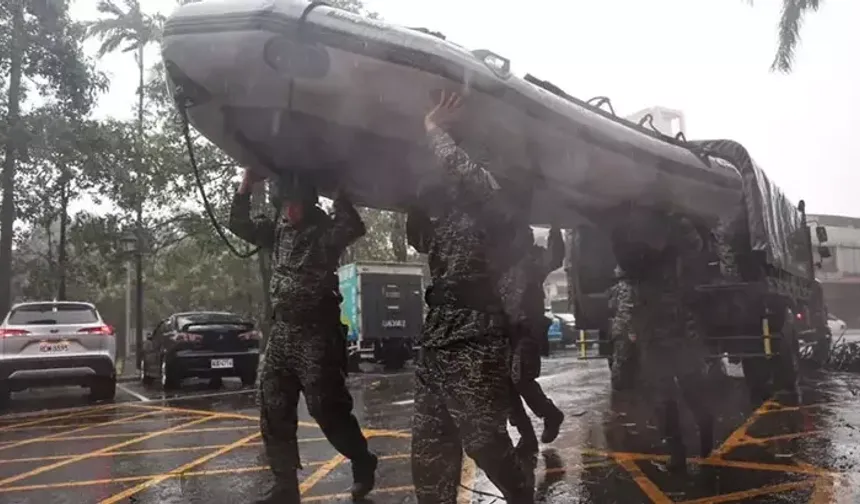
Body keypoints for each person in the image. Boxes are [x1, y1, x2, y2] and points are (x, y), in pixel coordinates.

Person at [406, 91, 534, 504]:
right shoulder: (445, 216)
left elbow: (467, 174)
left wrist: (434, 130)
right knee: (428, 451)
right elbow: (417, 235)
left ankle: (522, 496)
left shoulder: (494, 203)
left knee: (483, 441)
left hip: (476, 337)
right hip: (438, 337)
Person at [229, 171, 378, 503]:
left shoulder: (324, 231)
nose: (290, 212)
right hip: (282, 332)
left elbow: (354, 227)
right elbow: (238, 224)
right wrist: (246, 184)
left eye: (296, 205)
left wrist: (341, 196)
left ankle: (362, 460)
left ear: (309, 204)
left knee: (327, 408)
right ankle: (285, 485)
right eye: (285, 205)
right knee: (273, 406)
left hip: (316, 333)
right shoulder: (277, 231)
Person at [610, 207, 714, 473]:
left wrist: (614, 225)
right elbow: (696, 247)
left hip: (658, 336)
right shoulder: (670, 254)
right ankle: (703, 431)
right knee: (684, 387)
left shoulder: (637, 265)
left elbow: (623, 259)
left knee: (665, 397)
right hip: (673, 332)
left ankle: (680, 454)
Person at [499, 224, 565, 450]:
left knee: (520, 378)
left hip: (527, 330)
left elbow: (554, 258)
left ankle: (551, 414)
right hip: (505, 333)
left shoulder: (532, 263)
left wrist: (555, 228)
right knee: (504, 383)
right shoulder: (502, 265)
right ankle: (525, 434)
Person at [608, 265, 639, 391]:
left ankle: (620, 385)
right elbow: (627, 310)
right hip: (625, 329)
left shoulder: (615, 288)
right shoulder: (627, 288)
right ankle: (621, 386)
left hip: (618, 328)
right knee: (623, 359)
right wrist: (631, 331)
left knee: (620, 358)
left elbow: (611, 306)